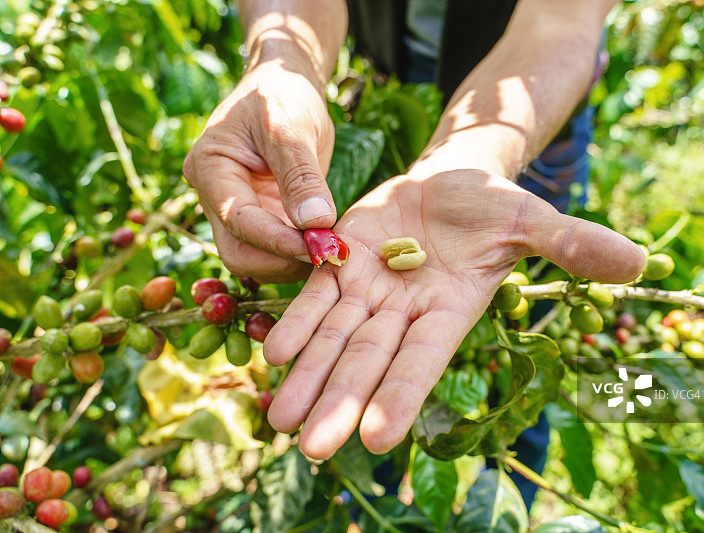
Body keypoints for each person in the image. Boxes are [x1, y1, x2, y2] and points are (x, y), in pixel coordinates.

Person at [183, 0, 643, 469]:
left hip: (536, 89)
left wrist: (471, 158)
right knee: (370, 374)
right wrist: (283, 67)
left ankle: (515, 471)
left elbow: (560, 19)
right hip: (391, 76)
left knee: (521, 325)